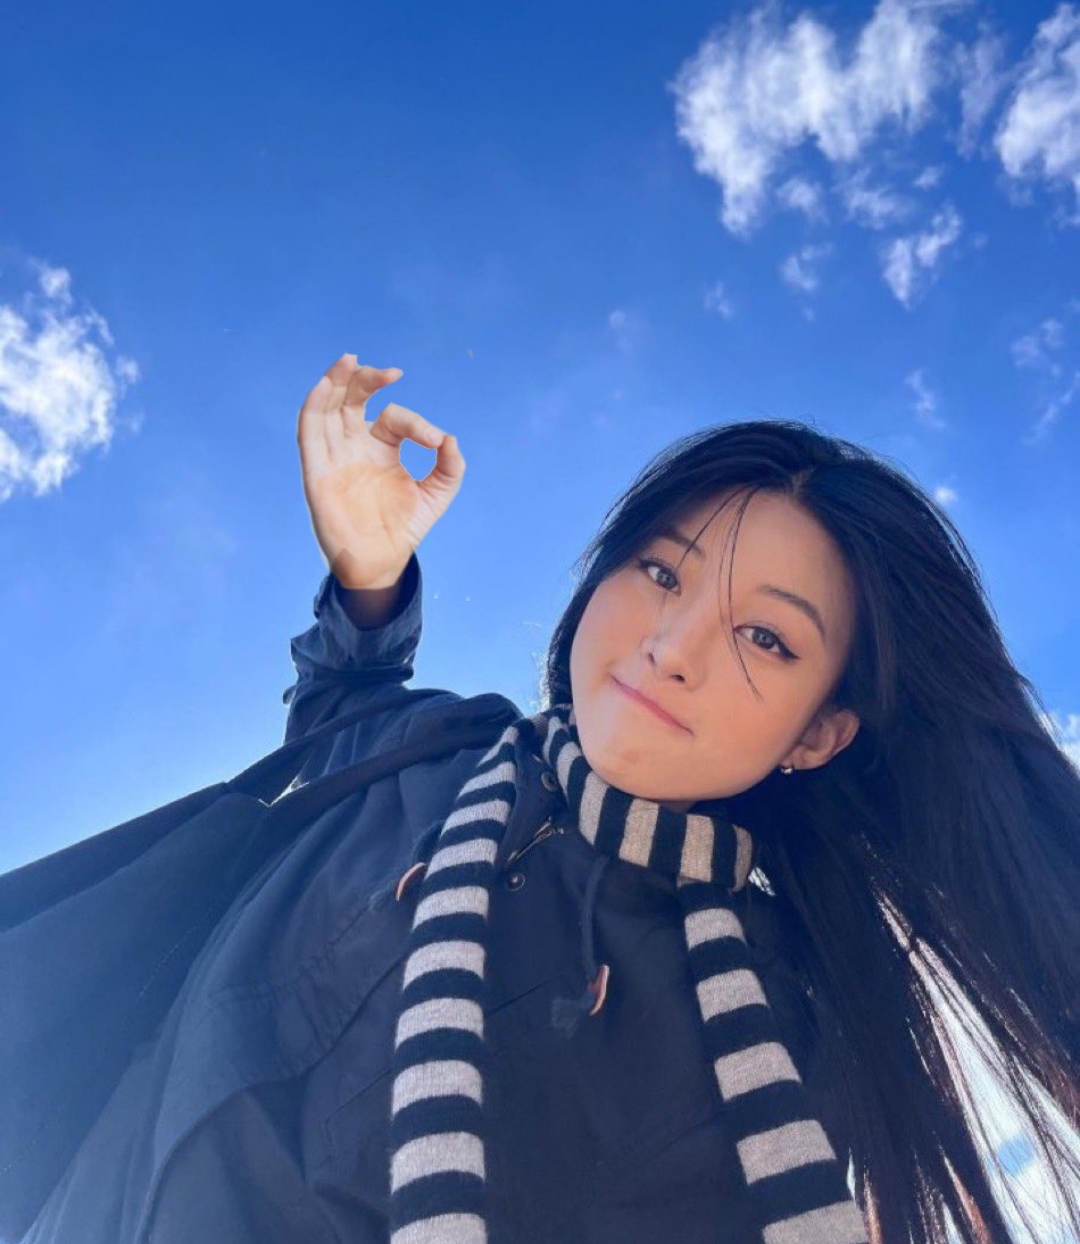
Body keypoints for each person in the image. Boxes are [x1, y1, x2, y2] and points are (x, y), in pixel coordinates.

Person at [15, 354, 1078, 1244]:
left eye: (766, 636)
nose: (672, 646)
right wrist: (369, 573)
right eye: (663, 572)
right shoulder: (441, 745)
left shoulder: (766, 1048)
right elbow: (343, 699)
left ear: (818, 732)